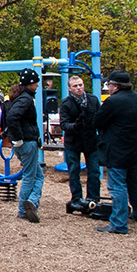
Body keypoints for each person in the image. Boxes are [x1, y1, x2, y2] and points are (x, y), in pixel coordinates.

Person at [94, 71, 137, 234]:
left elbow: (98, 122)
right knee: (135, 182)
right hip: (135, 149)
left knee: (117, 186)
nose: (107, 88)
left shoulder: (113, 102)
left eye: (108, 85)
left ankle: (118, 223)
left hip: (117, 150)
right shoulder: (136, 99)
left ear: (115, 86)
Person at [6, 68, 43, 223]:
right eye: (36, 83)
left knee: (38, 174)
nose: (38, 86)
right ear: (30, 84)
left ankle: (31, 203)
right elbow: (13, 117)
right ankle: (27, 206)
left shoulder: (19, 97)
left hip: (23, 141)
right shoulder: (26, 99)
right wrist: (19, 138)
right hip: (27, 142)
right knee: (31, 175)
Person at [59, 75, 101, 212]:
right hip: (73, 141)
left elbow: (100, 118)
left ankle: (93, 198)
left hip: (90, 140)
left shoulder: (93, 100)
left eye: (80, 85)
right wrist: (74, 126)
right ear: (70, 88)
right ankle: (76, 198)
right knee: (74, 171)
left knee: (94, 171)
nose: (79, 88)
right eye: (75, 86)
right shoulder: (66, 104)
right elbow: (64, 124)